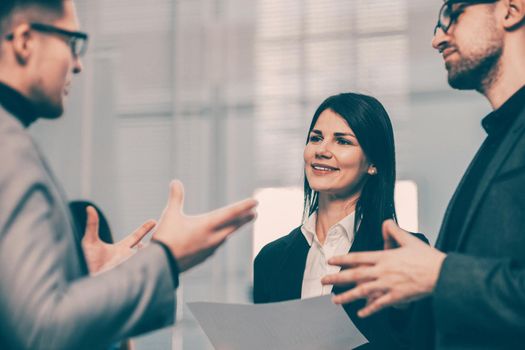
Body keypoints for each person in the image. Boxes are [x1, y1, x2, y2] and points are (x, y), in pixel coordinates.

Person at [0, 1, 257, 349]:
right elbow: (41, 334)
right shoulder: (9, 148)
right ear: (25, 40)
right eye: (72, 42)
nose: (77, 64)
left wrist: (85, 279)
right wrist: (166, 257)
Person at [321, 0, 525, 349]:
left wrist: (439, 275)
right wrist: (412, 296)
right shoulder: (498, 140)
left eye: (452, 14)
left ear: (510, 9)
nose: (437, 39)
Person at [253, 93, 426, 349]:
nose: (322, 150)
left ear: (373, 164)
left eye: (342, 141)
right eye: (316, 138)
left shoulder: (404, 252)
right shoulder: (270, 260)